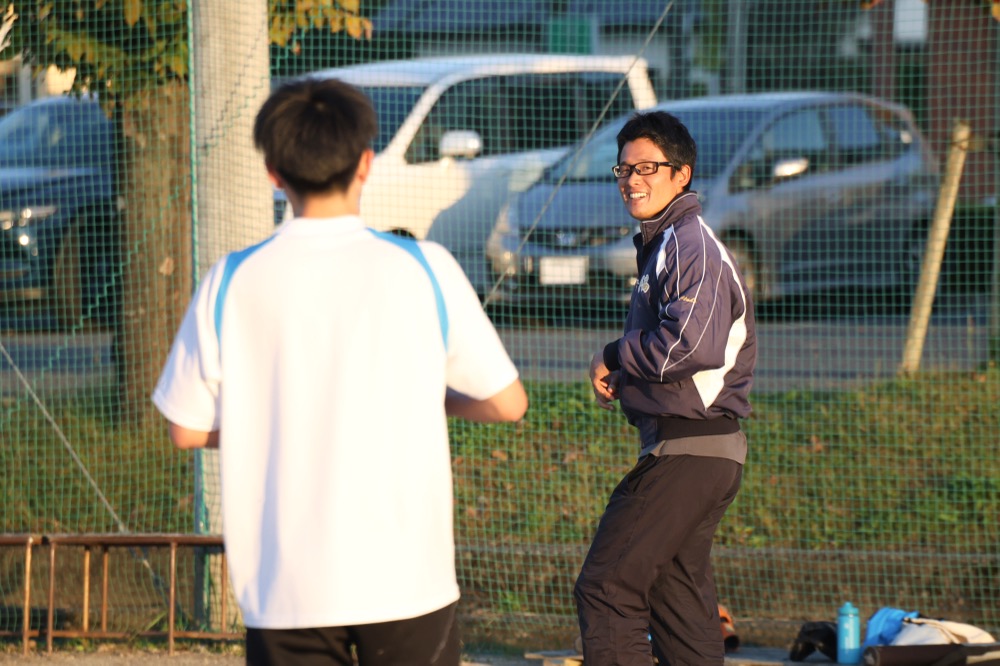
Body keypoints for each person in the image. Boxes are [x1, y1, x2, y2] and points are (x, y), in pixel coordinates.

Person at [151, 77, 528, 666]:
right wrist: (431, 401)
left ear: (273, 171)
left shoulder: (231, 280)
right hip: (408, 577)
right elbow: (507, 402)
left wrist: (270, 424)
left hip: (284, 586)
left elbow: (185, 429)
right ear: (366, 163)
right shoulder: (423, 267)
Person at [574, 110, 757, 665]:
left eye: (647, 167)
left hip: (689, 452)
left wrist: (614, 356)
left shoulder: (688, 244)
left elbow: (690, 346)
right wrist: (625, 367)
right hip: (694, 450)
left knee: (607, 588)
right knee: (678, 605)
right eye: (624, 169)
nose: (632, 180)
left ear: (682, 175)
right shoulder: (665, 246)